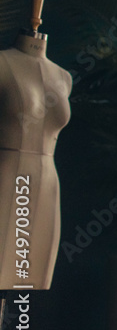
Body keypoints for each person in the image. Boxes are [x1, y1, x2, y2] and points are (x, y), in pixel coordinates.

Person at [0, 20, 72, 291]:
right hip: (7, 178)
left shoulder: (64, 77)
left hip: (47, 186)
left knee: (26, 285)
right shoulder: (3, 63)